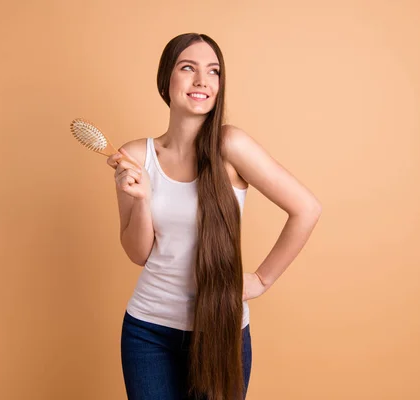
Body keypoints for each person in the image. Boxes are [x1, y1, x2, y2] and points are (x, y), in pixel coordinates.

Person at [106, 33, 322, 400]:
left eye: (213, 71)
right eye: (188, 68)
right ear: (166, 80)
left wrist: (262, 280)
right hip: (148, 331)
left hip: (220, 332)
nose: (202, 81)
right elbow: (138, 254)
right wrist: (142, 199)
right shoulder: (134, 155)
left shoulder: (231, 146)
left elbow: (306, 209)